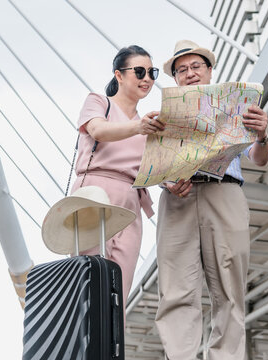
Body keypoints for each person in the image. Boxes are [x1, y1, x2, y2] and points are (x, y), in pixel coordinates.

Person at [155, 40, 268, 359]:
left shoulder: (234, 108)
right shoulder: (164, 115)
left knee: (230, 289)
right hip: (177, 198)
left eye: (196, 67)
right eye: (182, 70)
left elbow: (259, 158)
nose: (190, 74)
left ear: (209, 70)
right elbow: (155, 162)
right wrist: (166, 180)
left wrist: (262, 135)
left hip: (225, 192)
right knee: (175, 288)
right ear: (175, 78)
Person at [71, 45, 165, 307]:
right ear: (119, 75)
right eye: (139, 71)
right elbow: (98, 130)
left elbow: (155, 168)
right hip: (95, 191)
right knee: (88, 279)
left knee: (119, 288)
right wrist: (139, 127)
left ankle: (113, 346)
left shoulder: (148, 123)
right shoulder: (100, 102)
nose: (147, 78)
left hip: (131, 200)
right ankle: (85, 346)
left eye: (151, 72)